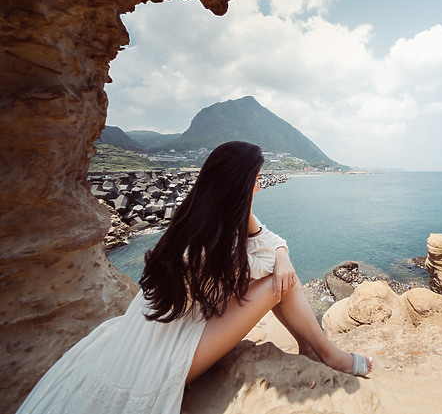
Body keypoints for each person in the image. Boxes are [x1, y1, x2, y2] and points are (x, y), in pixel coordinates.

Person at [17, 141, 371, 414]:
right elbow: (262, 270)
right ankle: (327, 353)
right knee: (280, 282)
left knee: (281, 272)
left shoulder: (202, 213)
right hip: (169, 351)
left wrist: (280, 253)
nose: (261, 187)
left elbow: (270, 241)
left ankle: (314, 347)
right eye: (257, 180)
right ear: (240, 183)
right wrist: (279, 260)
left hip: (159, 328)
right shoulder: (203, 246)